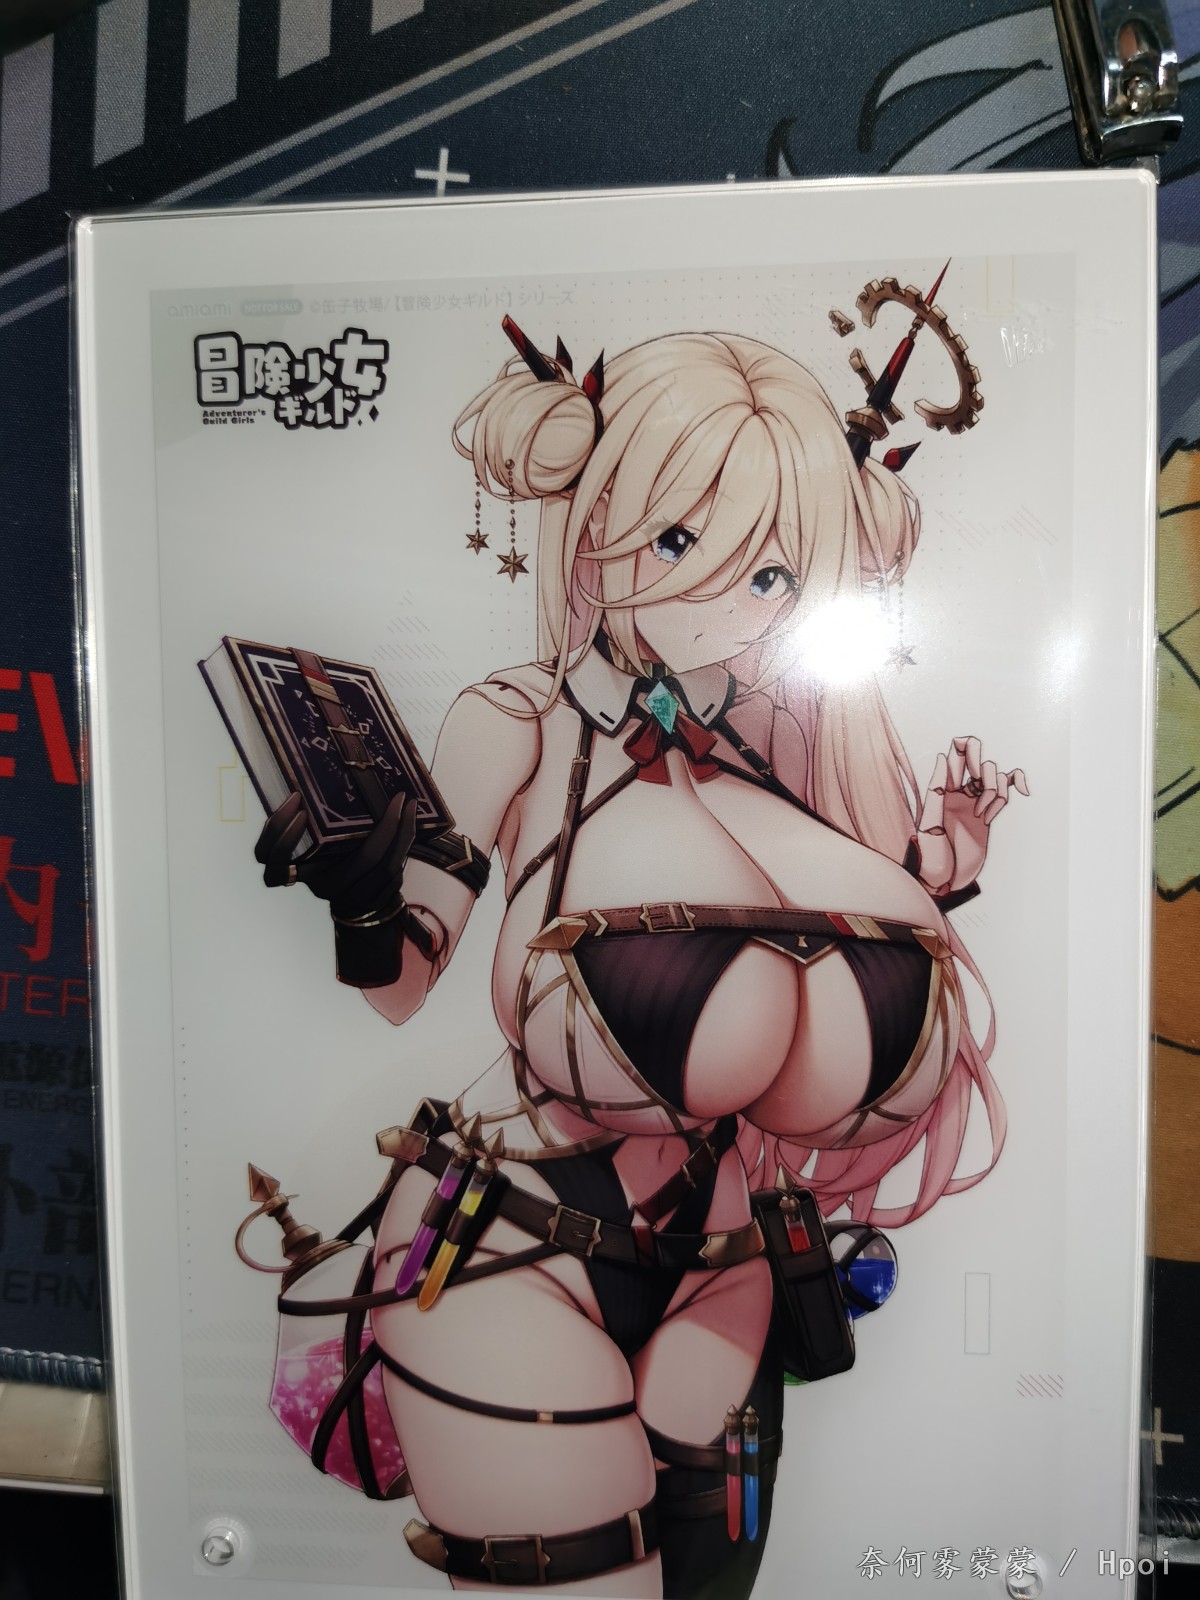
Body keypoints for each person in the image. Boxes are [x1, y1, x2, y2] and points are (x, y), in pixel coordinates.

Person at [255, 324, 1024, 1598]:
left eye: (770, 570)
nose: (726, 602)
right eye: (676, 543)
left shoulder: (794, 745)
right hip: (506, 1246)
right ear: (597, 520)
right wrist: (358, 899)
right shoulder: (518, 721)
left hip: (727, 1272)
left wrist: (959, 849)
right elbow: (404, 980)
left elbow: (893, 883)